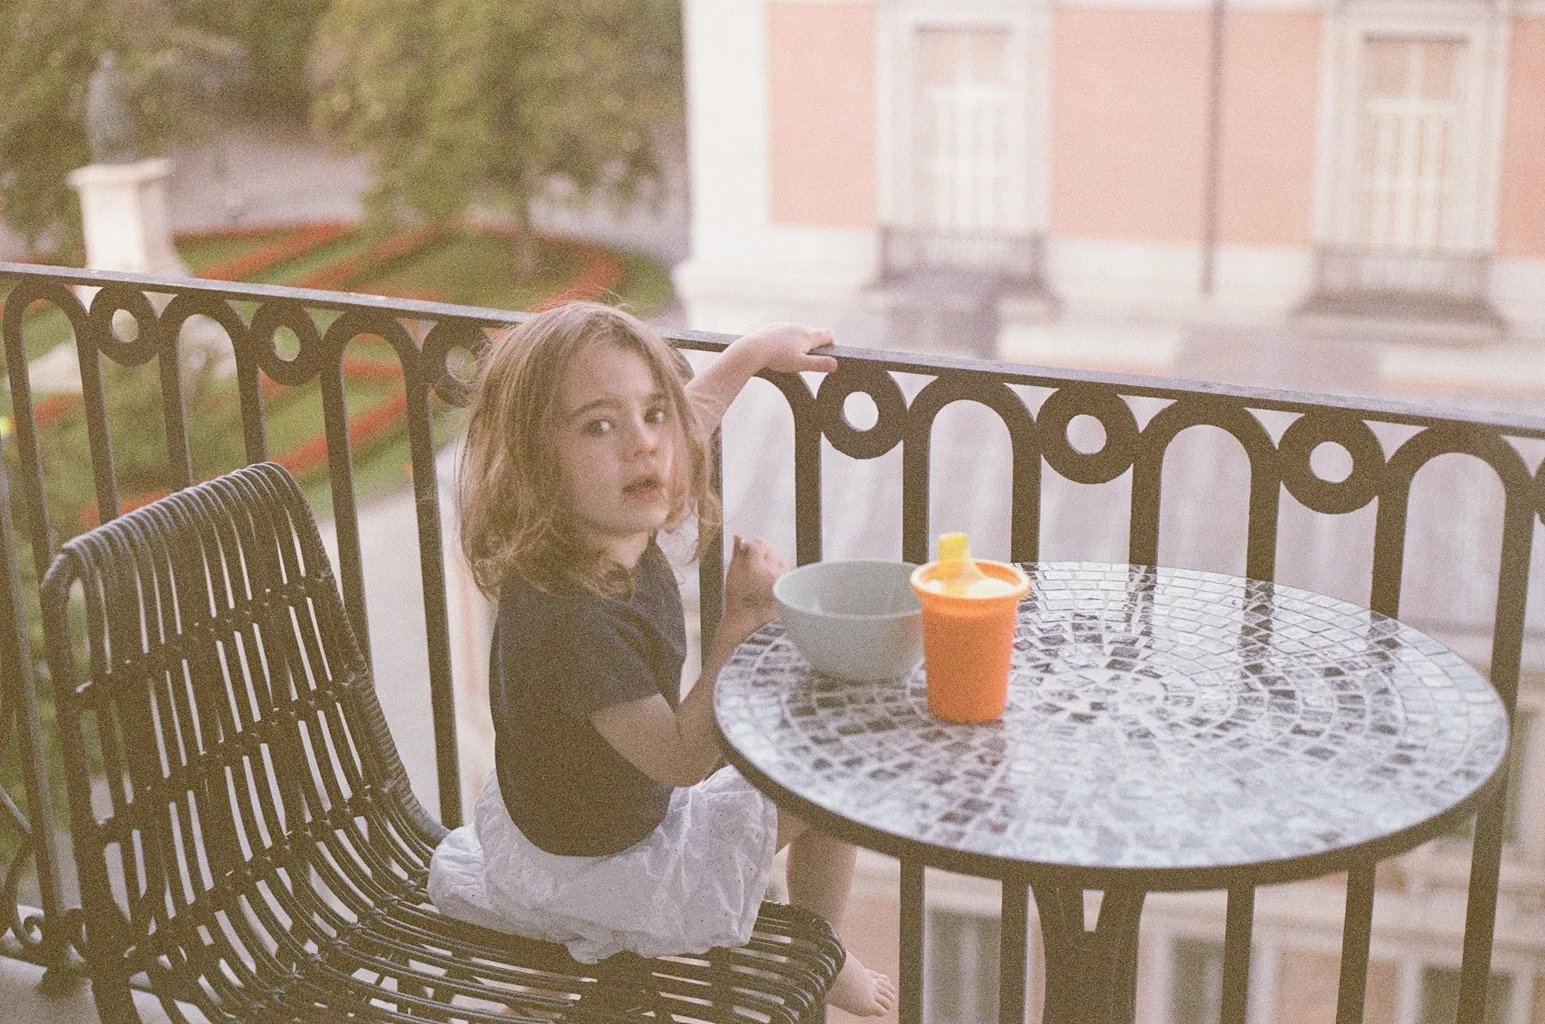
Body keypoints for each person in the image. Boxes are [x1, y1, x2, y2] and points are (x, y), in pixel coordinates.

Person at [429, 301, 897, 1017]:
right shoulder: (575, 621)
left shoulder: (588, 531)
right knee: (828, 785)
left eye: (652, 415)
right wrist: (742, 619)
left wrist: (750, 353)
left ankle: (548, 992)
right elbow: (681, 760)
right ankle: (819, 945)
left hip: (569, 823)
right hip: (602, 866)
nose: (644, 445)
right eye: (599, 426)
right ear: (535, 463)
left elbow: (686, 423)